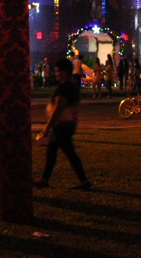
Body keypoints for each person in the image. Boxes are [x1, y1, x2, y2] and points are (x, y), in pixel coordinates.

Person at [34, 57, 91, 190]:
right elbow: (75, 107)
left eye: (58, 71)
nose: (56, 74)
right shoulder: (73, 86)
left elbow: (58, 108)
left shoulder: (64, 88)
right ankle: (44, 179)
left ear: (65, 71)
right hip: (68, 124)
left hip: (61, 125)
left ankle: (83, 180)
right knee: (52, 151)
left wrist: (47, 128)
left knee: (68, 153)